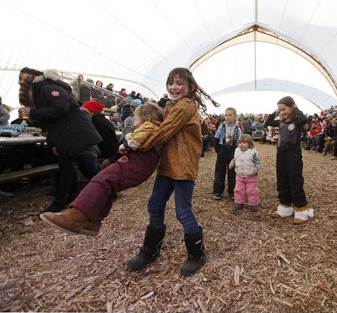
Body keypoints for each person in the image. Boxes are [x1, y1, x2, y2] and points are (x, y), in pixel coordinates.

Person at [126, 68, 219, 276]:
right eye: (171, 83)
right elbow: (157, 125)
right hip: (168, 165)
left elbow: (164, 131)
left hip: (183, 167)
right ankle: (150, 250)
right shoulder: (172, 106)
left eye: (179, 83)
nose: (174, 87)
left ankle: (197, 254)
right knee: (155, 205)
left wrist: (136, 145)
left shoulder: (185, 106)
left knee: (183, 212)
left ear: (191, 87)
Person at [39, 103, 164, 237]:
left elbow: (136, 139)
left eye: (137, 118)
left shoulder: (149, 126)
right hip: (140, 166)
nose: (135, 122)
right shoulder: (156, 128)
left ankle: (75, 218)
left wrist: (125, 145)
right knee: (107, 185)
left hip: (135, 164)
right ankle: (92, 221)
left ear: (147, 117)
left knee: (101, 181)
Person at [18, 68, 102, 213]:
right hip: (67, 135)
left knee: (76, 168)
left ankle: (63, 201)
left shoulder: (49, 87)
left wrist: (32, 112)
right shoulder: (43, 90)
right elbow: (52, 122)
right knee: (66, 168)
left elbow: (60, 108)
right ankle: (70, 197)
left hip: (75, 134)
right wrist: (53, 143)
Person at [264, 96, 313, 225]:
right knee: (282, 178)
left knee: (294, 179)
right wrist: (276, 112)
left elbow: (304, 119)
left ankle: (301, 209)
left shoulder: (297, 120)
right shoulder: (281, 122)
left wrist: (295, 109)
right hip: (281, 152)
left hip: (293, 153)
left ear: (292, 107)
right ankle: (285, 207)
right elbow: (267, 122)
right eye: (279, 110)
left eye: (284, 109)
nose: (282, 112)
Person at [212, 107, 241, 200]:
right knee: (220, 171)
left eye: (230, 115)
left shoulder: (238, 129)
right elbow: (216, 138)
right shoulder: (222, 127)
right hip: (222, 150)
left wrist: (239, 153)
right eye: (226, 115)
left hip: (233, 151)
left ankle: (232, 191)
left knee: (232, 172)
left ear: (235, 117)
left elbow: (240, 142)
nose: (227, 117)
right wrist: (217, 150)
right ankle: (217, 191)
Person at [229, 134, 261, 212]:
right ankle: (239, 202)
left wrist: (256, 170)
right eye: (240, 143)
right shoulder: (237, 150)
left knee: (251, 190)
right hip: (239, 175)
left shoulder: (253, 152)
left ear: (249, 144)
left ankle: (253, 203)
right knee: (239, 189)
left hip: (251, 176)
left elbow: (257, 162)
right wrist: (232, 163)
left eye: (244, 143)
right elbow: (235, 158)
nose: (241, 144)